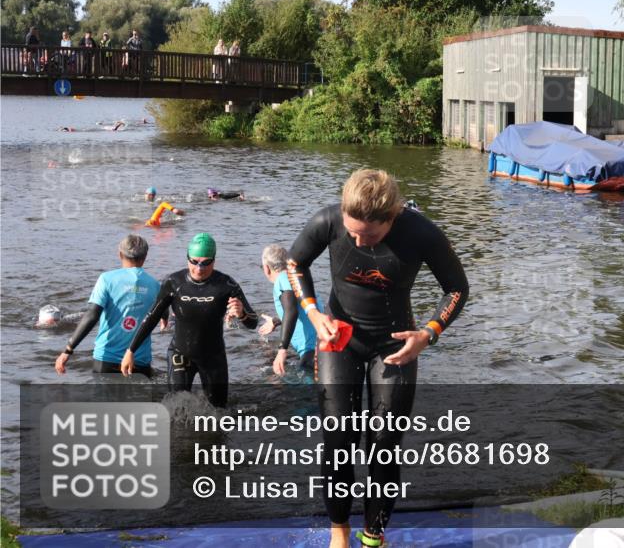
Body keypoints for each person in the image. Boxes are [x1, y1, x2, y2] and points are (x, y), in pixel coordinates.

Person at [287, 168, 469, 548]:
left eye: (368, 234)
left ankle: (373, 536)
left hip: (395, 346)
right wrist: (313, 311)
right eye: (352, 232)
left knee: (384, 443)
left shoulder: (421, 233)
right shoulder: (328, 220)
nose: (357, 239)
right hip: (340, 339)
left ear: (392, 217)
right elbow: (295, 263)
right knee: (339, 439)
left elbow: (456, 288)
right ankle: (340, 532)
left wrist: (429, 333)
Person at [121, 233, 257, 407]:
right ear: (187, 259)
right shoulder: (174, 282)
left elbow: (253, 323)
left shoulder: (226, 285)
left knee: (219, 412)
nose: (199, 268)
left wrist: (242, 314)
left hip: (213, 356)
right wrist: (131, 351)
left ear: (214, 261)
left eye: (205, 262)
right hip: (180, 353)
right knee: (175, 408)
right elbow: (152, 317)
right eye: (194, 261)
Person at [55, 235, 159, 376]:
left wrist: (68, 350)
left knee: (104, 398)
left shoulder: (107, 279)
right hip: (138, 360)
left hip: (106, 358)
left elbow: (92, 315)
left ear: (120, 254)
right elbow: (161, 315)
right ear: (145, 256)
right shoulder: (155, 285)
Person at [258, 244, 317, 375]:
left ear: (267, 268)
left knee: (303, 393)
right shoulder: (298, 278)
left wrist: (282, 349)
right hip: (325, 346)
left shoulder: (282, 279)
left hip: (311, 352)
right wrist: (277, 321)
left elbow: (291, 311)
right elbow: (301, 309)